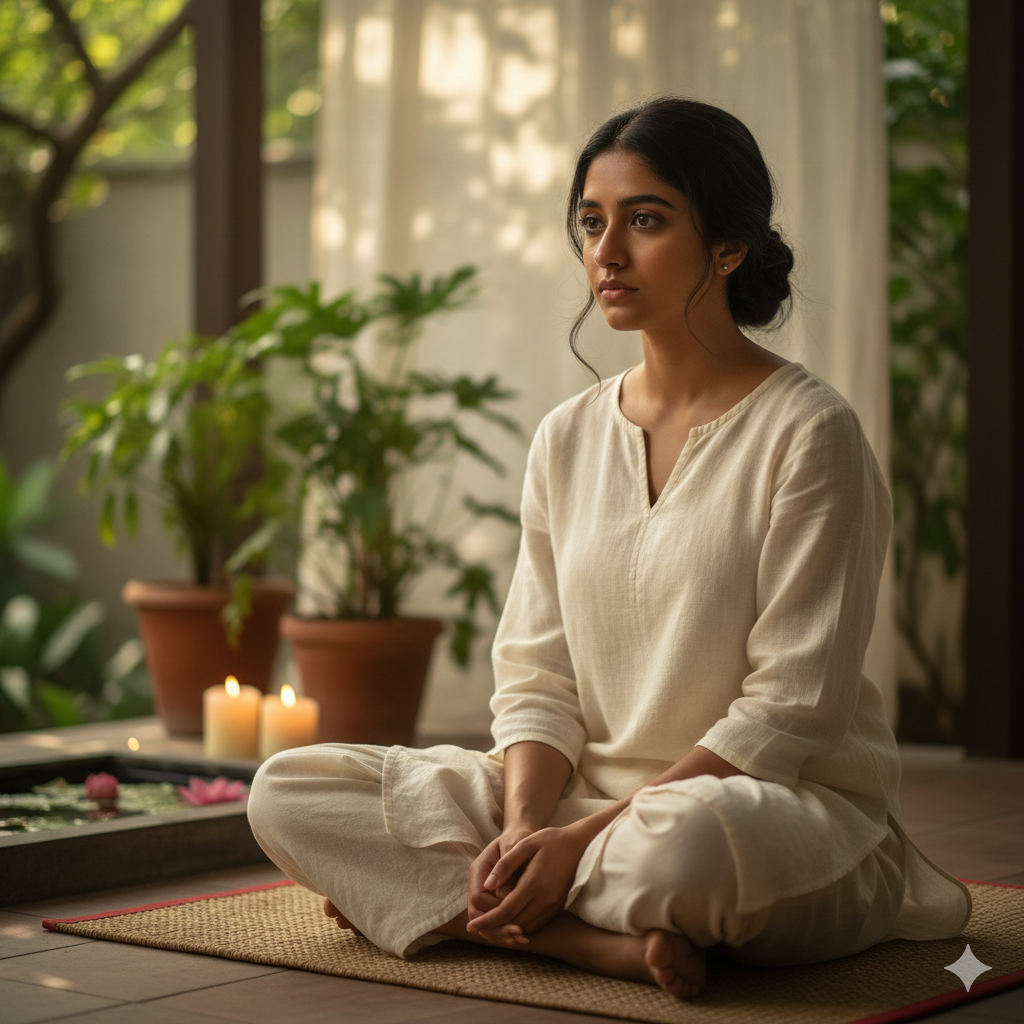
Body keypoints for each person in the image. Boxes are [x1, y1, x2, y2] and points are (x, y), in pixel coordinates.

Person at [247, 97, 971, 1000]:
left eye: (647, 220)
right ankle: (580, 943)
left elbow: (791, 709)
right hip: (575, 799)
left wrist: (579, 841)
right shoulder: (566, 436)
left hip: (757, 808)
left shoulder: (809, 432)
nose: (608, 252)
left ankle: (464, 908)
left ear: (728, 246)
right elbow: (539, 675)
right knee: (289, 788)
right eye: (592, 223)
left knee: (687, 855)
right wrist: (523, 829)